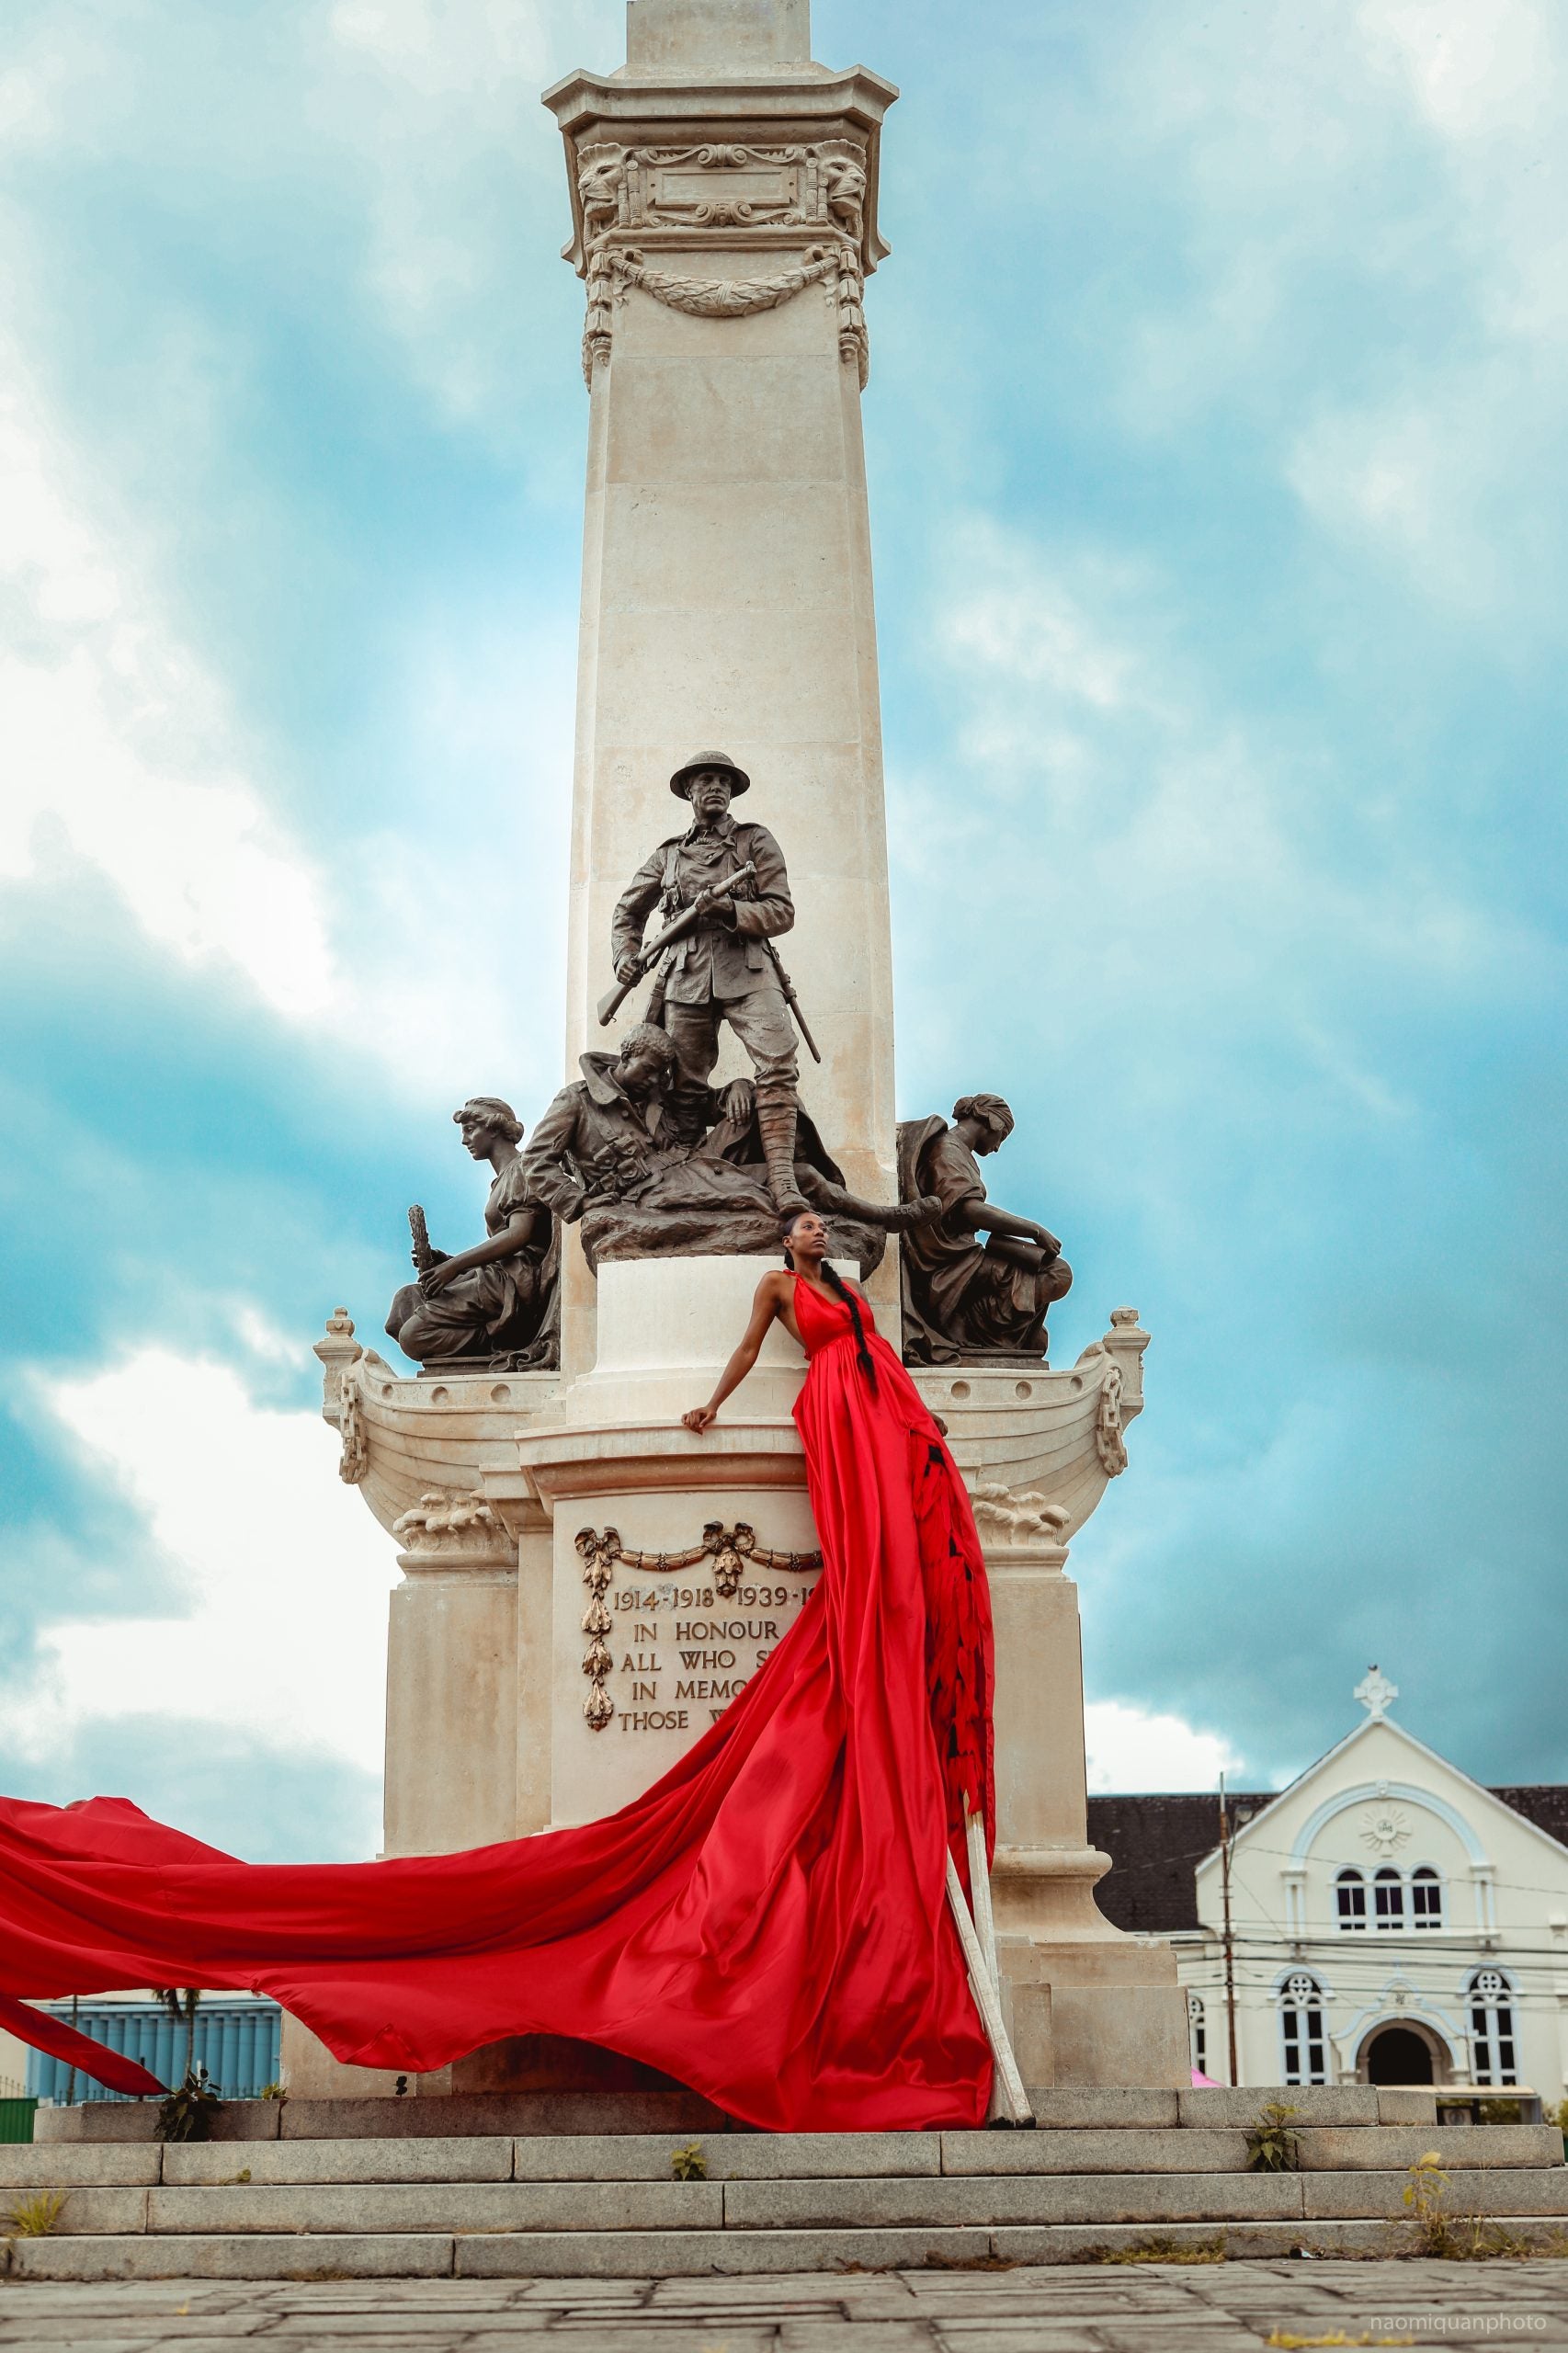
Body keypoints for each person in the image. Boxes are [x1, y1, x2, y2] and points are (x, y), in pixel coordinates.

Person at [0, 1214, 996, 2131]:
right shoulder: (777, 1287)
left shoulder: (851, 1286)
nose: (816, 1224)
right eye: (805, 1222)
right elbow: (743, 1351)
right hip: (826, 1407)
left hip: (868, 1410)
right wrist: (706, 1404)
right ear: (791, 1239)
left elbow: (870, 1350)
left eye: (820, 1217)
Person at [610, 752, 807, 1211]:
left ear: (732, 791)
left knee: (779, 1064)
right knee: (685, 1083)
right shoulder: (668, 855)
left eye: (723, 781)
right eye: (705, 781)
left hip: (750, 969)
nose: (715, 787)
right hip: (686, 975)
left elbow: (782, 911)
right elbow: (627, 912)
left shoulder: (754, 841)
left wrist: (731, 911)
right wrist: (624, 955)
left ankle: (782, 1180)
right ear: (691, 793)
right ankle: (677, 1171)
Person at [897, 1093, 1072, 1363]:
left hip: (963, 1254)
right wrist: (1035, 1231)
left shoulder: (959, 1153)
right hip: (947, 1262)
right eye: (1001, 1138)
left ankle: (984, 1325)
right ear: (993, 1123)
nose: (997, 1147)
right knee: (1056, 1272)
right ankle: (981, 1330)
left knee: (1051, 1272)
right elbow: (970, 1210)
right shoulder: (947, 1149)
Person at [385, 1097, 556, 1367]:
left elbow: (519, 1235)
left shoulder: (523, 1170)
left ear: (494, 1129)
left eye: (470, 1130)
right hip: (496, 1277)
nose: (465, 1140)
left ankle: (503, 1342)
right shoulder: (501, 1180)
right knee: (405, 1302)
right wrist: (448, 1261)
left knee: (413, 1336)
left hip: (516, 1282)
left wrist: (454, 1266)